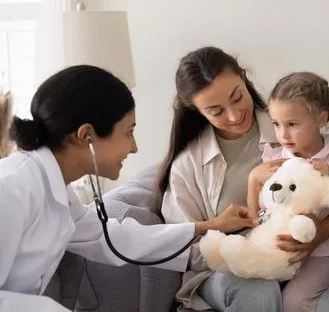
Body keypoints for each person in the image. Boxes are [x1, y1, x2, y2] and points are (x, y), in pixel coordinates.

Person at [0, 65, 257, 312]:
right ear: (86, 136)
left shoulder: (55, 190)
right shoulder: (11, 190)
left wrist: (208, 226)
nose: (133, 148)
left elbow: (112, 239)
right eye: (128, 132)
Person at [159, 46, 329, 312]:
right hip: (229, 271)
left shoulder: (289, 124)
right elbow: (180, 246)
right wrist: (244, 250)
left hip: (304, 263)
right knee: (258, 292)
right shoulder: (188, 165)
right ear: (196, 110)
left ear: (243, 77)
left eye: (237, 97)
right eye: (216, 111)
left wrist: (317, 235)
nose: (234, 114)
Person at [247, 71, 329, 312]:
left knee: (295, 302)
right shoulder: (273, 158)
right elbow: (257, 220)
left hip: (323, 256)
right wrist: (253, 182)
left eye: (292, 124)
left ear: (321, 119)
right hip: (278, 251)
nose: (283, 134)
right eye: (276, 124)